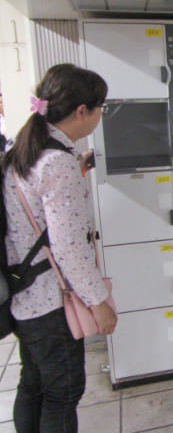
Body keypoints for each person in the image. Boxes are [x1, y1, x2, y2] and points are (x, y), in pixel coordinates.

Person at [2, 64, 117, 432]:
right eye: (100, 107)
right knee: (63, 394)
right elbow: (69, 250)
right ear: (82, 111)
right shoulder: (56, 163)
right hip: (53, 306)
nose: (101, 115)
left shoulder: (24, 151)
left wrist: (75, 172)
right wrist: (100, 304)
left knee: (33, 384)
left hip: (24, 297)